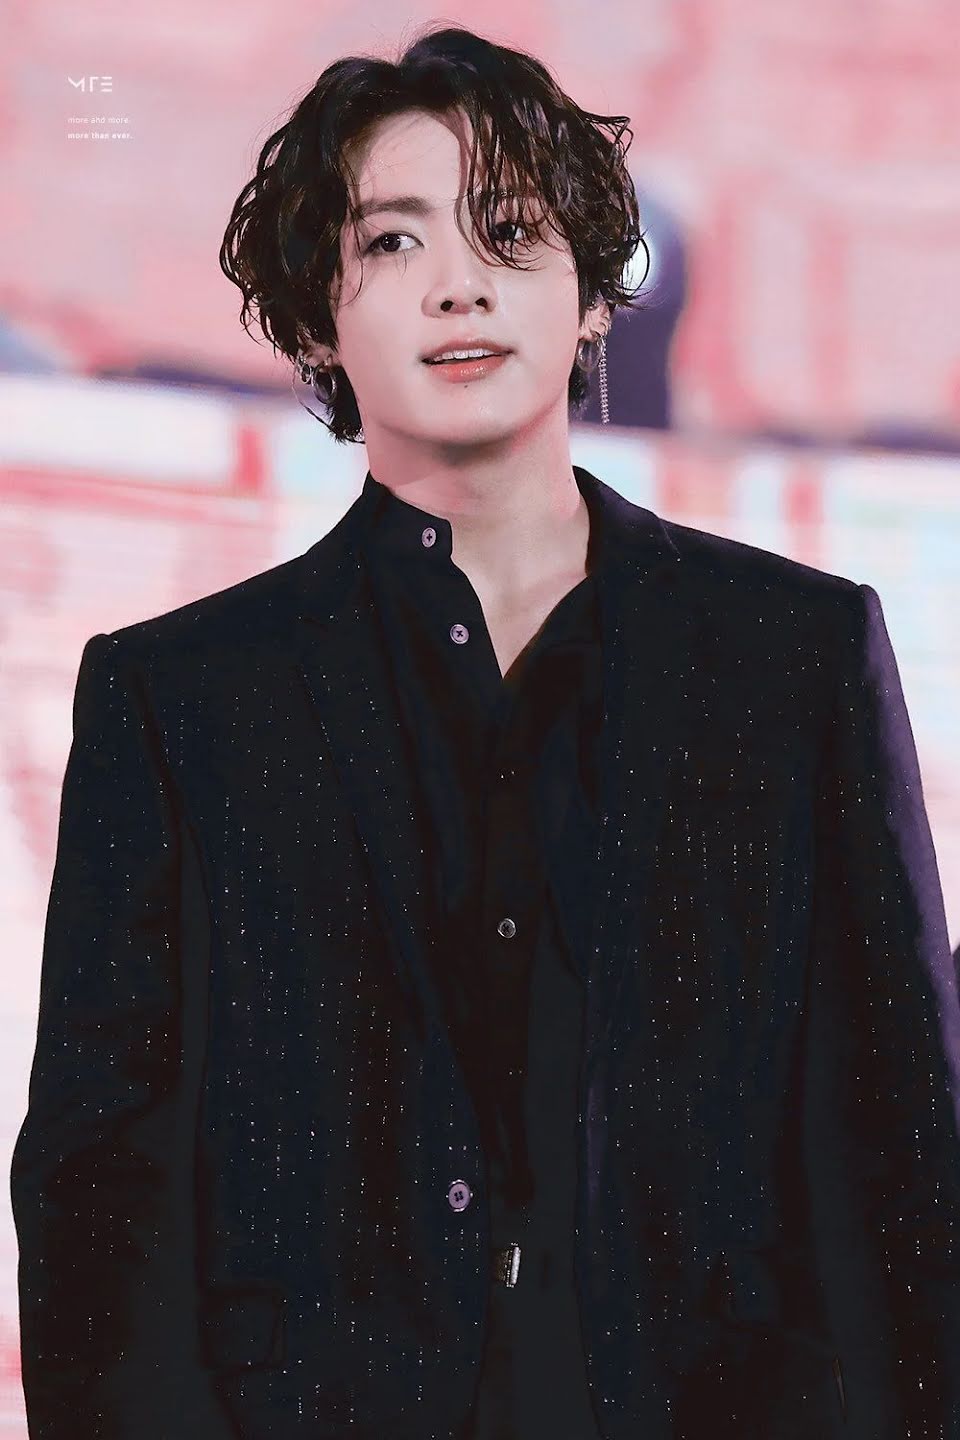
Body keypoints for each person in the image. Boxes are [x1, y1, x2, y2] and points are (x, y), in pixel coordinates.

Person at [11, 21, 960, 1440]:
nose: (459, 282)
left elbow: (904, 1157)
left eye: (509, 231)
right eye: (394, 241)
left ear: (592, 297)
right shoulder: (178, 698)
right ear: (319, 321)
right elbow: (98, 1192)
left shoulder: (794, 657)